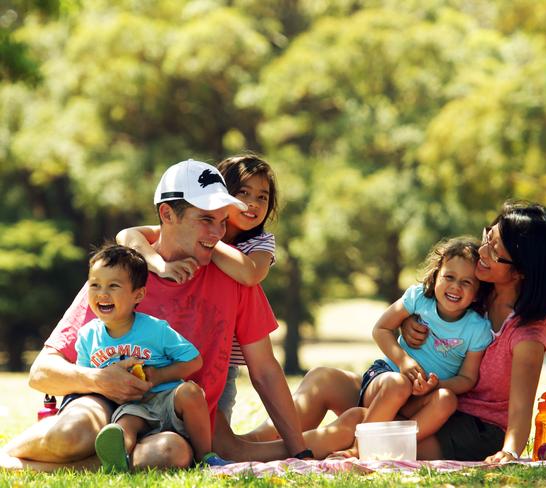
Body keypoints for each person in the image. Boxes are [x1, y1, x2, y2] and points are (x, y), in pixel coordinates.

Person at [0, 158, 362, 471]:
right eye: (206, 220)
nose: (218, 233)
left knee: (170, 454)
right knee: (74, 433)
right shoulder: (121, 274)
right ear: (167, 215)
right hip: (98, 401)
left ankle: (66, 464)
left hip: (174, 416)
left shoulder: (236, 279)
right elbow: (42, 372)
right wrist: (99, 380)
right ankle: (14, 456)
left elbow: (265, 371)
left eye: (222, 221)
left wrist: (299, 450)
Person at [246, 201, 546, 464]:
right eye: (487, 237)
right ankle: (252, 439)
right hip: (415, 394)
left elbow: (521, 407)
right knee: (323, 379)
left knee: (359, 424)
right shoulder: (478, 290)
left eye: (494, 251)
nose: (482, 251)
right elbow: (432, 305)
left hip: (470, 427)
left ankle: (257, 454)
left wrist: (509, 451)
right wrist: (405, 323)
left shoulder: (528, 330)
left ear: (521, 270)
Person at [116, 154, 278, 425]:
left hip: (223, 364)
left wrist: (207, 241)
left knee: (216, 437)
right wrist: (157, 263)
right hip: (177, 366)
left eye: (263, 197)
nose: (253, 203)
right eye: (243, 193)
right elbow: (128, 234)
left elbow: (250, 273)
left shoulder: (258, 243)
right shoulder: (186, 228)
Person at [78, 243, 226, 471]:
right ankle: (117, 458)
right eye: (95, 285)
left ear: (138, 294)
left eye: (113, 285)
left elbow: (194, 360)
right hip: (129, 406)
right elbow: (84, 381)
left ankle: (205, 457)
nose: (102, 293)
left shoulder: (156, 329)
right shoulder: (88, 335)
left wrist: (157, 376)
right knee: (123, 426)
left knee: (191, 392)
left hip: (166, 398)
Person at [350, 237, 492, 455]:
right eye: (449, 277)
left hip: (419, 399)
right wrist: (403, 361)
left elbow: (467, 379)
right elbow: (381, 329)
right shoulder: (418, 298)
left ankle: (391, 450)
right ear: (435, 277)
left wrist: (435, 386)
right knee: (399, 384)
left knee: (447, 400)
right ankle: (358, 450)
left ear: (477, 294)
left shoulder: (477, 328)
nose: (455, 286)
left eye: (466, 282)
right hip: (385, 381)